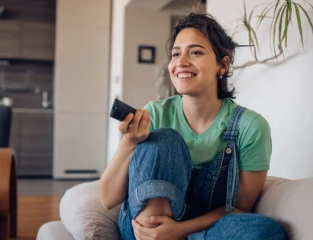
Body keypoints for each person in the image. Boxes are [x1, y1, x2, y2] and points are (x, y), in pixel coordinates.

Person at [99, 13, 288, 240]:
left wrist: (179, 231)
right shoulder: (156, 113)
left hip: (200, 230)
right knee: (165, 139)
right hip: (144, 231)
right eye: (176, 54)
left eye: (195, 52)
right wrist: (129, 142)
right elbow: (108, 199)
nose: (181, 62)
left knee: (266, 231)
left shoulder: (250, 126)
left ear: (222, 64)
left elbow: (239, 207)